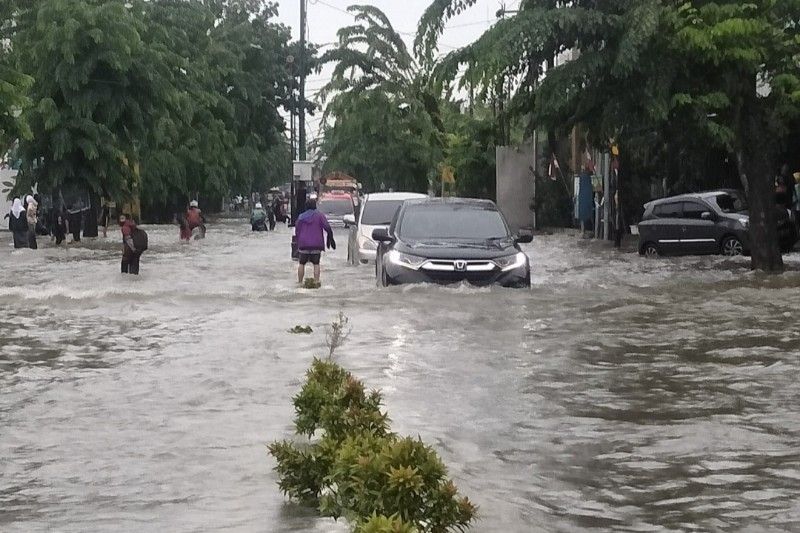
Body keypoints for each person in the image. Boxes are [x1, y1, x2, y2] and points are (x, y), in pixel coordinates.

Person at [295, 198, 335, 284]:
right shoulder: (320, 216)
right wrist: (330, 238)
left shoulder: (301, 217)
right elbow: (327, 227)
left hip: (304, 244)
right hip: (317, 244)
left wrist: (298, 242)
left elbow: (297, 230)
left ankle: (299, 282)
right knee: (316, 264)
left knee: (301, 263)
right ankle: (316, 282)